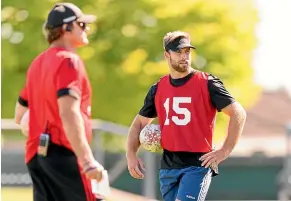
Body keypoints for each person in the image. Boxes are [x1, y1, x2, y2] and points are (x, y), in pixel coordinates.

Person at [126, 31, 247, 201]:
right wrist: (131, 155)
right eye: (179, 52)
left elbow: (238, 113)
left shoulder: (207, 83)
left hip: (197, 165)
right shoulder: (158, 88)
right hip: (168, 166)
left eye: (187, 52)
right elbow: (139, 124)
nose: (184, 56)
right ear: (167, 55)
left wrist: (225, 150)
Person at [14, 3, 106, 201]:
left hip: (36, 157)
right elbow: (68, 112)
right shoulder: (68, 60)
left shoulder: (37, 63)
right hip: (63, 153)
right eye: (81, 24)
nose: (86, 29)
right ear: (66, 28)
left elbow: (19, 115)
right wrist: (87, 160)